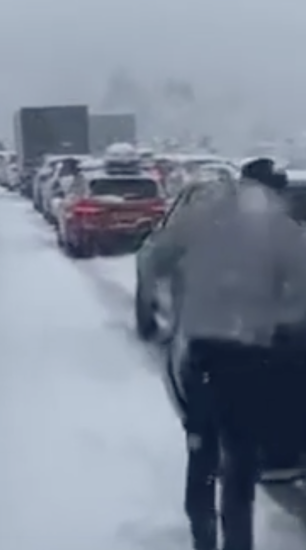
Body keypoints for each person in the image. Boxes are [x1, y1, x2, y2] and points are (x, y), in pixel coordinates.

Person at [153, 157, 306, 550]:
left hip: (199, 356)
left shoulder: (205, 220)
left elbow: (158, 257)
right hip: (246, 362)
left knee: (202, 456)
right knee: (238, 467)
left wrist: (182, 298)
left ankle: (202, 540)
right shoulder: (284, 232)